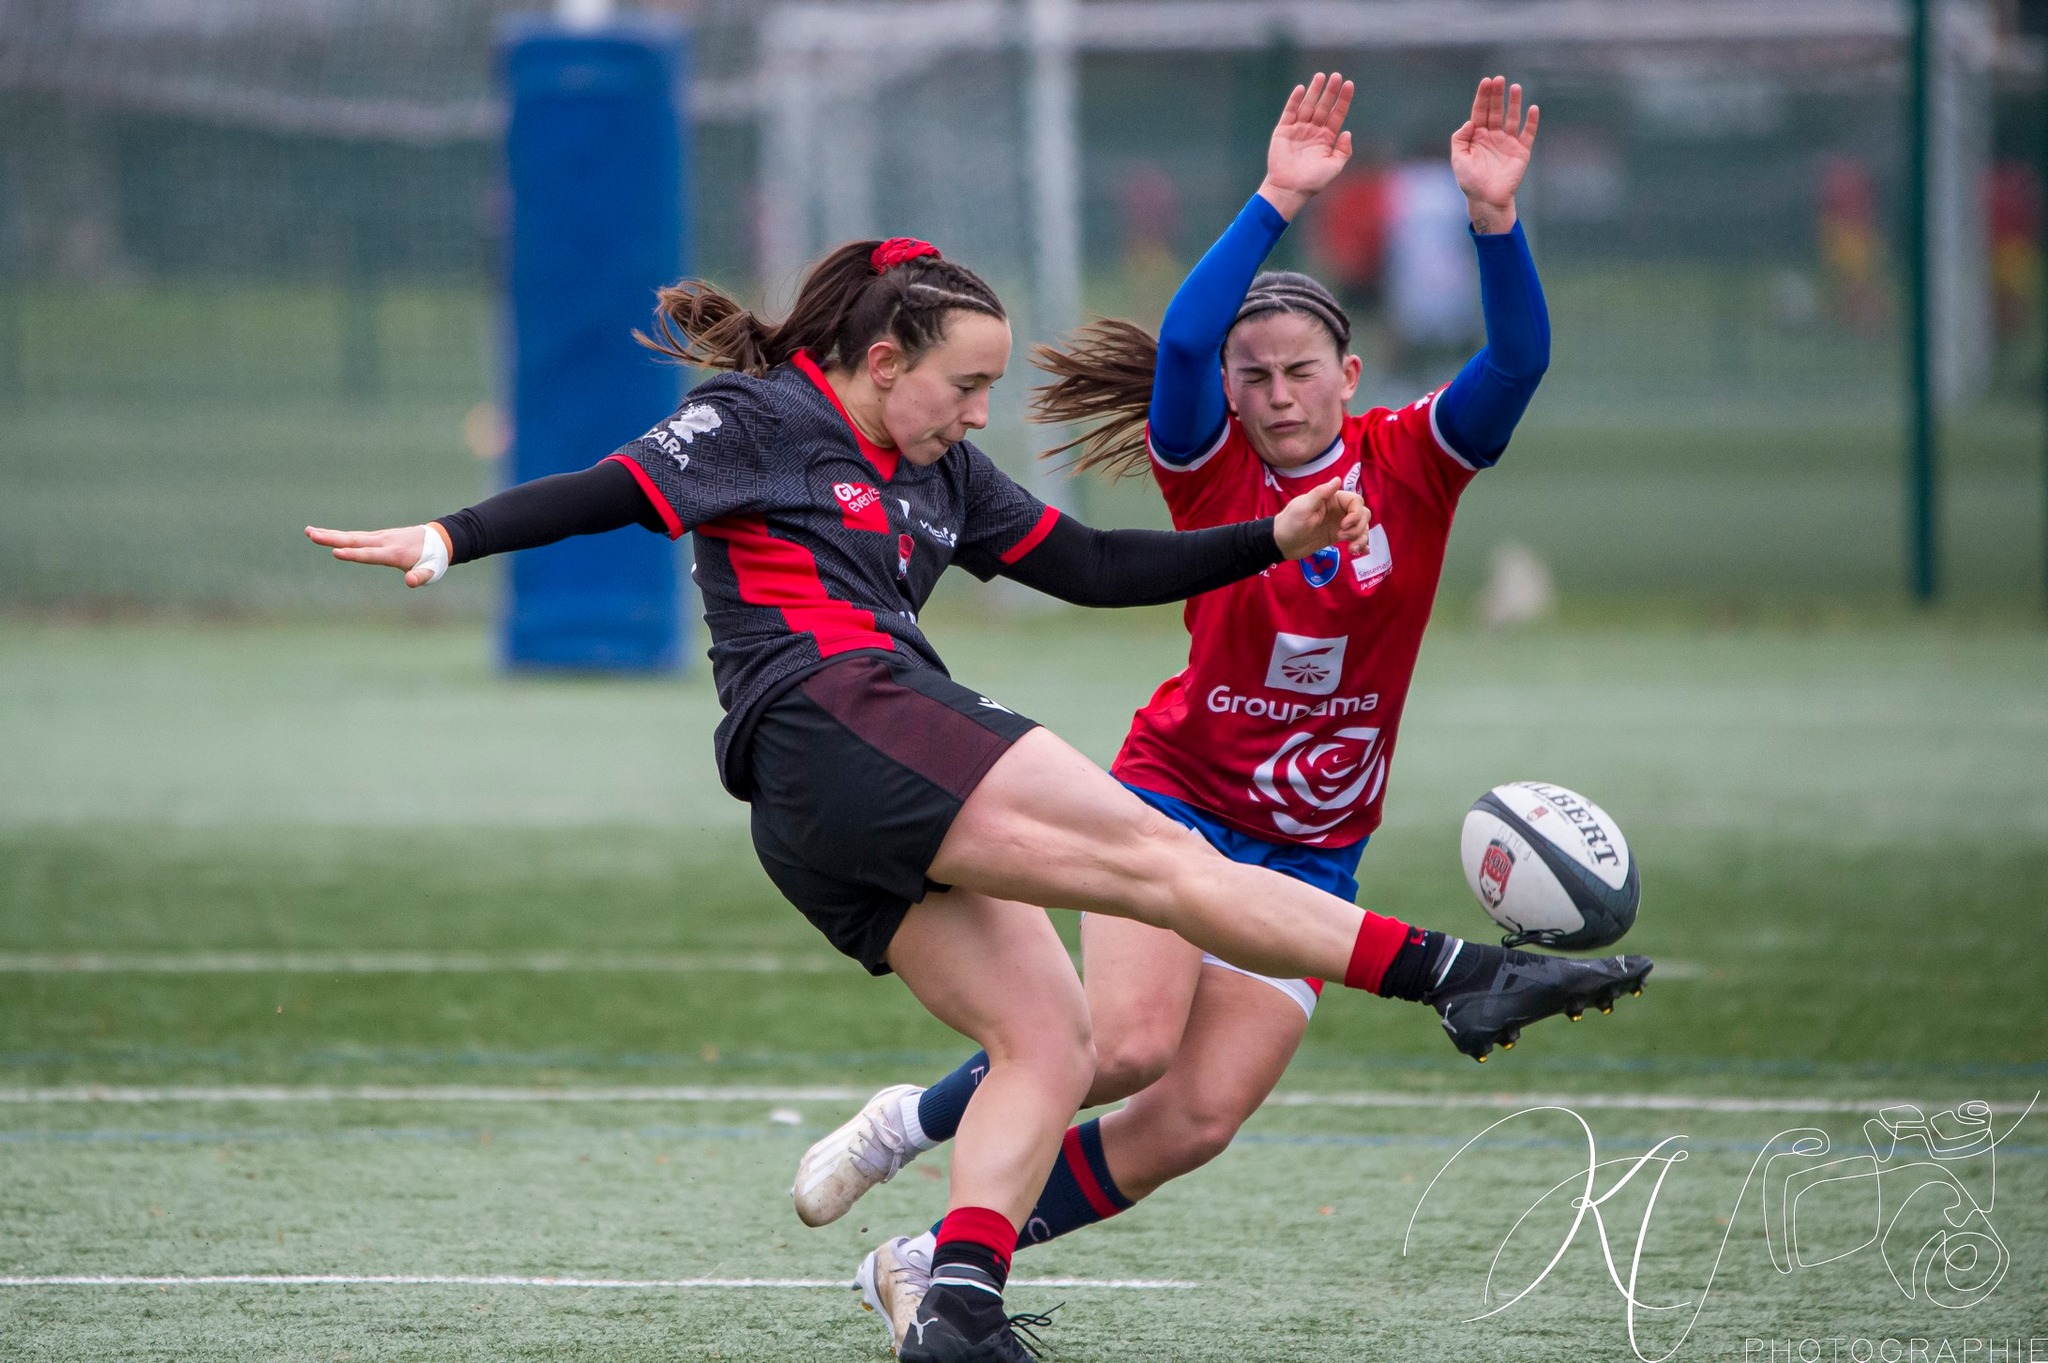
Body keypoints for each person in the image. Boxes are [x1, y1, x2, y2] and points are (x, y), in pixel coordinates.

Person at [309, 176, 1643, 1361]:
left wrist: (1269, 540)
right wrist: (451, 533)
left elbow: (1095, 565)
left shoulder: (946, 472)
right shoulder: (763, 416)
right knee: (1163, 861)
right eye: (964, 385)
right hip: (842, 711)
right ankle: (1455, 974)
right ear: (884, 359)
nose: (980, 411)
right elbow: (605, 488)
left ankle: (955, 1300)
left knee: (1050, 1039)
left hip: (816, 811)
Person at [787, 75, 1636, 1356]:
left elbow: (1516, 361)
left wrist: (1492, 220)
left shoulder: (1415, 457)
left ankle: (916, 1262)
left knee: (1192, 1120)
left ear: (1350, 374)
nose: (1278, 394)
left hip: (1315, 843)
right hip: (1177, 794)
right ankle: (910, 1124)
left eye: (1301, 371)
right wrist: (1276, 197)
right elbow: (1181, 347)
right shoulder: (1210, 465)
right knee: (1123, 1045)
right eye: (1257, 376)